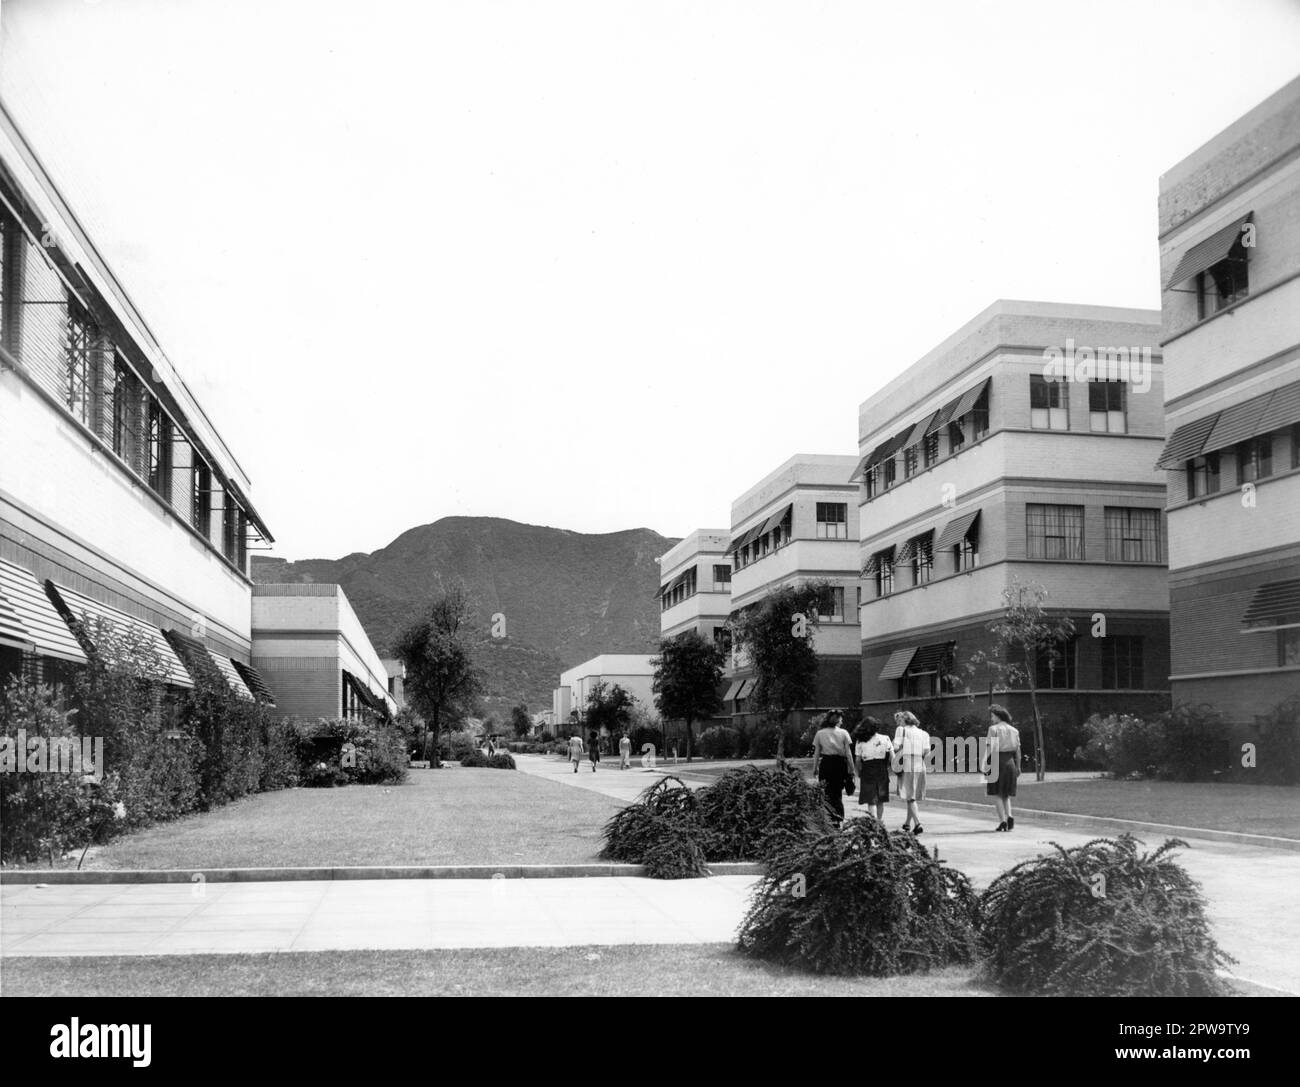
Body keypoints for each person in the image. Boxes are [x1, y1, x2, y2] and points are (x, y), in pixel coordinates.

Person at [811, 710, 856, 826]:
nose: (842, 721)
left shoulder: (820, 733)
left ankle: (828, 817)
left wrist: (815, 768)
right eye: (841, 719)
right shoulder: (844, 733)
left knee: (826, 792)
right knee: (837, 792)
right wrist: (851, 768)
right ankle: (838, 817)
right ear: (837, 720)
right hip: (840, 764)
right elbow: (848, 753)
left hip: (826, 763)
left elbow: (817, 753)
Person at [983, 704, 1021, 832]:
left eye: (993, 716)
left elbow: (990, 748)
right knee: (1006, 794)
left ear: (998, 716)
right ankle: (1010, 816)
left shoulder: (993, 729)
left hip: (996, 761)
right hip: (1010, 762)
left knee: (997, 794)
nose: (992, 718)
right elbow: (1018, 751)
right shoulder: (1014, 731)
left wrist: (983, 763)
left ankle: (1002, 822)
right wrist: (1018, 767)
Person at [892, 710, 930, 834]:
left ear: (904, 720)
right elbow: (926, 752)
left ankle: (918, 823)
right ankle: (908, 823)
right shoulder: (924, 733)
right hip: (920, 762)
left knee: (910, 796)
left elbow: (896, 747)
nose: (898, 722)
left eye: (899, 720)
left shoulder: (900, 730)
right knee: (911, 795)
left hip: (907, 761)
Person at [854, 716, 893, 821]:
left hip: (867, 769)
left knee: (871, 799)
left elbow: (858, 760)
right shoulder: (885, 738)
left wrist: (858, 772)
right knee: (880, 799)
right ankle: (879, 823)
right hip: (881, 769)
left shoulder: (860, 741)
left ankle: (874, 822)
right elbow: (892, 757)